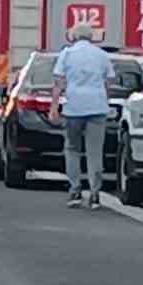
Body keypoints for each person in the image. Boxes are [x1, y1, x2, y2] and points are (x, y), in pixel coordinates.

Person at [52, 27, 116, 210]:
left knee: (72, 148)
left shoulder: (67, 54)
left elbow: (59, 82)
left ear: (74, 36)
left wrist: (54, 106)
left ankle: (75, 191)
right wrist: (105, 99)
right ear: (91, 37)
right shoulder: (102, 55)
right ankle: (95, 193)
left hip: (74, 107)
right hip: (97, 107)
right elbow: (109, 81)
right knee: (94, 151)